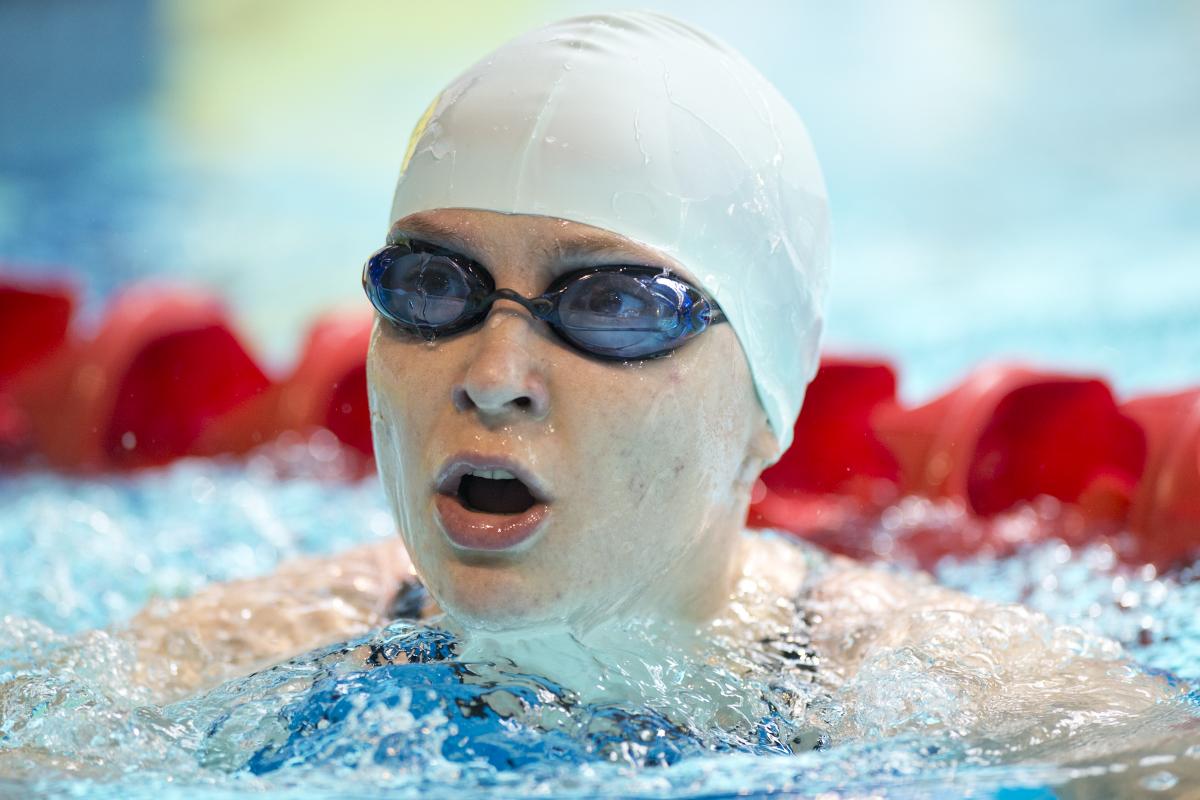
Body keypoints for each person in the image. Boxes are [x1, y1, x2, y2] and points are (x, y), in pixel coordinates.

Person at [129, 12, 1183, 756]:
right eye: (433, 286)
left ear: (768, 394)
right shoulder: (245, 655)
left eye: (613, 305)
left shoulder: (980, 701)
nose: (494, 377)